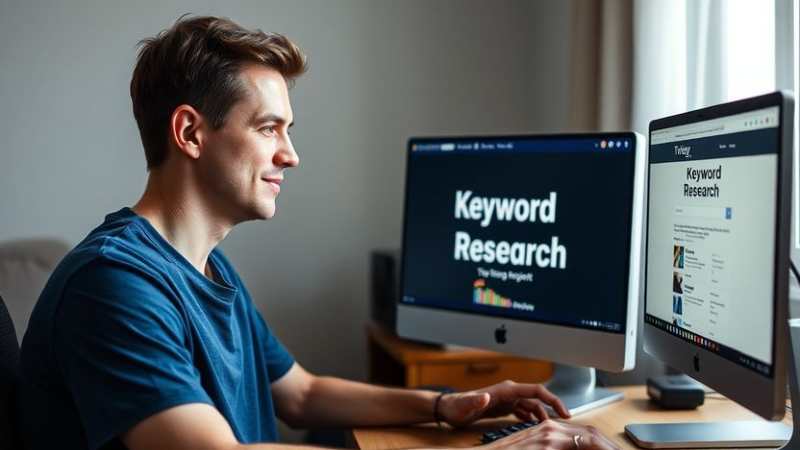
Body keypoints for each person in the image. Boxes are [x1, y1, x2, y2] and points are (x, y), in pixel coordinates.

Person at [16, 15, 621, 450]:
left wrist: (446, 405)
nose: (291, 155)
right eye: (269, 129)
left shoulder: (203, 265)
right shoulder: (115, 285)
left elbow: (300, 395)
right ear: (191, 133)